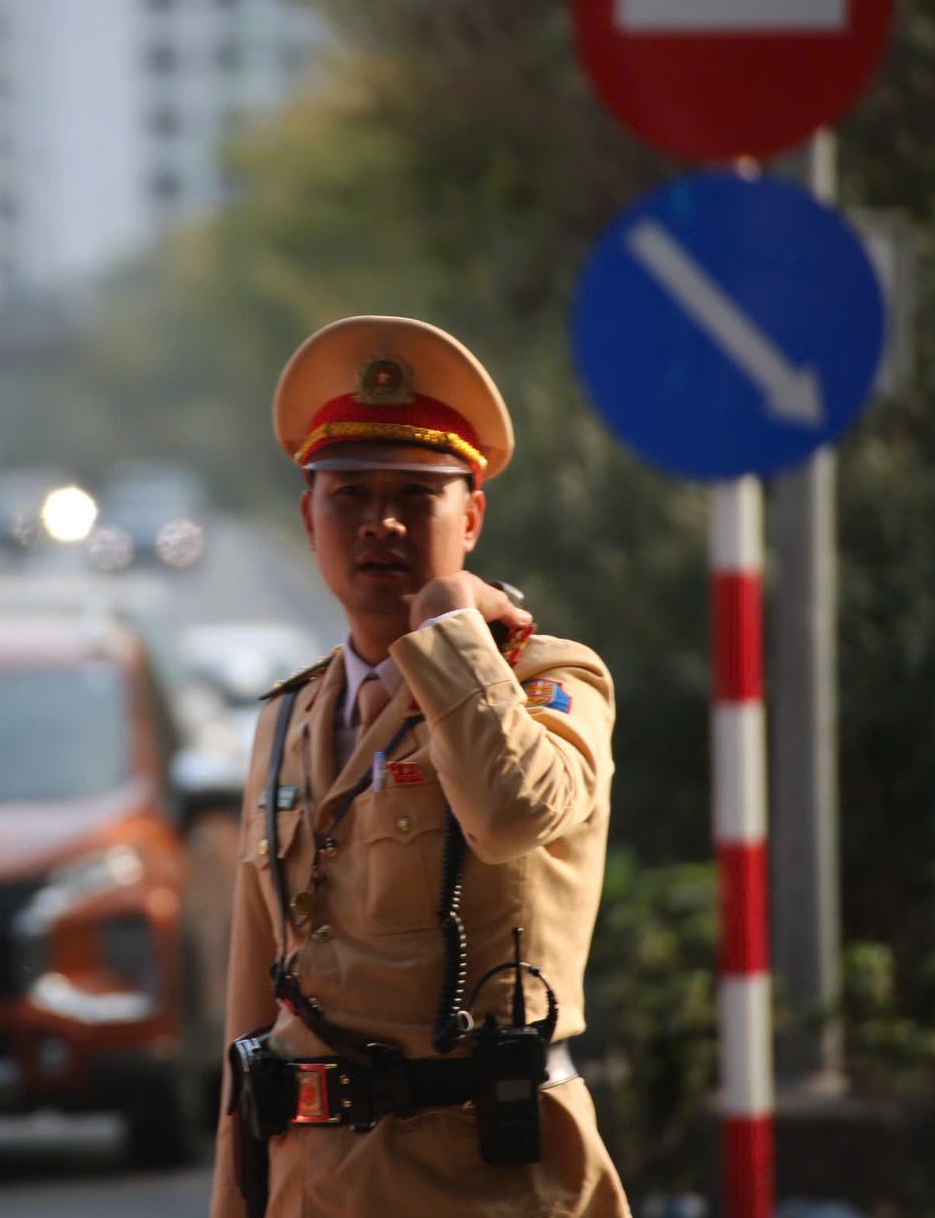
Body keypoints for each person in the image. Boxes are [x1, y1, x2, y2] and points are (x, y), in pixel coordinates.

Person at [210, 315, 628, 1218]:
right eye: (350, 494)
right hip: (311, 1186)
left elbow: (515, 809)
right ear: (307, 516)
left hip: (492, 1183)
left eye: (417, 494)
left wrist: (446, 624)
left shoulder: (547, 680)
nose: (381, 522)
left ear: (471, 517)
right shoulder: (289, 715)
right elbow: (253, 1003)